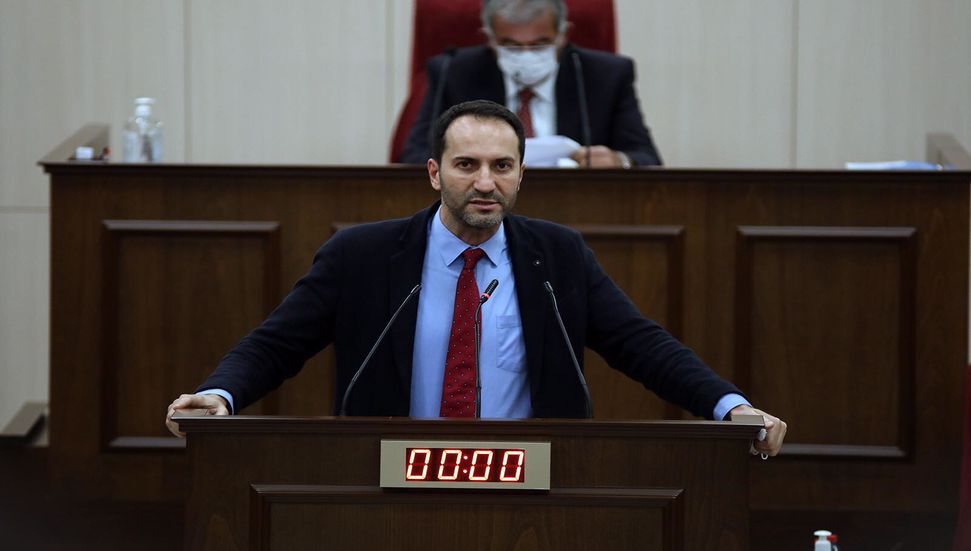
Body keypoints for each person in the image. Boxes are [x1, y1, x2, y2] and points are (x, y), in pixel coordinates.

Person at [166, 99, 785, 456]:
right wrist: (219, 395)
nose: (485, 183)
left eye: (501, 166)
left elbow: (640, 344)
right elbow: (277, 343)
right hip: (390, 473)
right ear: (434, 173)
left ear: (521, 175)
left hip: (528, 474)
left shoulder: (558, 254)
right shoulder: (362, 255)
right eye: (466, 165)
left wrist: (729, 407)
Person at [397, 0, 662, 168]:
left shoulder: (606, 75)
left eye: (540, 44)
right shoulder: (452, 72)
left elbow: (647, 158)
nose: (526, 55)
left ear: (563, 35)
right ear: (490, 39)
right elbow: (414, 157)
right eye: (510, 45)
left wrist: (619, 161)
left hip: (576, 205)